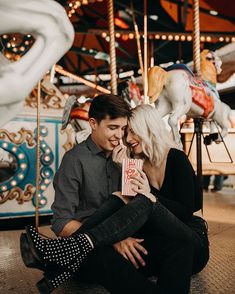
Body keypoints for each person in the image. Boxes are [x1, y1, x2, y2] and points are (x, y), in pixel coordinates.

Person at [20, 102, 209, 294]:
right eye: (117, 129)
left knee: (142, 202)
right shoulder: (123, 161)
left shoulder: (172, 158)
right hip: (149, 241)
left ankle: (66, 252)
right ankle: (70, 255)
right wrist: (116, 238)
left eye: (127, 131)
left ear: (148, 130)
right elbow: (122, 209)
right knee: (123, 205)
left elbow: (187, 209)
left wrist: (147, 194)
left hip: (184, 233)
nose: (124, 137)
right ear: (93, 124)